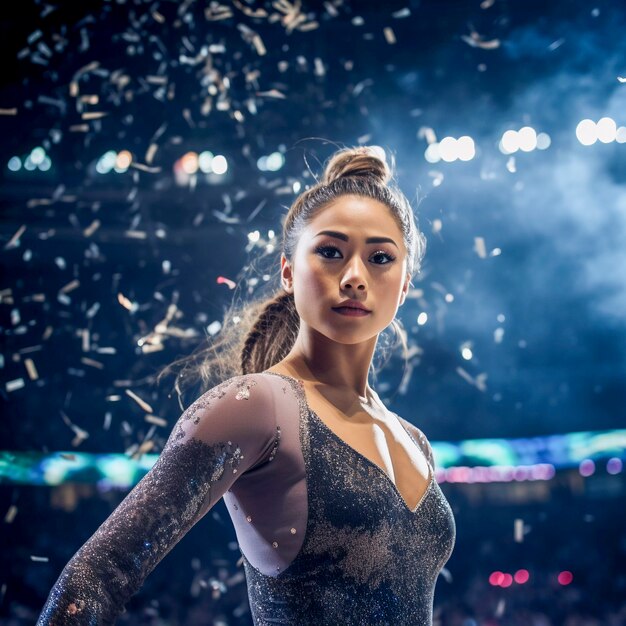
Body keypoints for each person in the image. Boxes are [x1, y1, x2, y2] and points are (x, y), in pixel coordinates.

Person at [38, 145, 456, 625]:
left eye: (380, 257)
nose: (355, 276)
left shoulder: (415, 441)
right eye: (330, 252)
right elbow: (94, 578)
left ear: (404, 285)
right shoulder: (257, 405)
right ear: (288, 271)